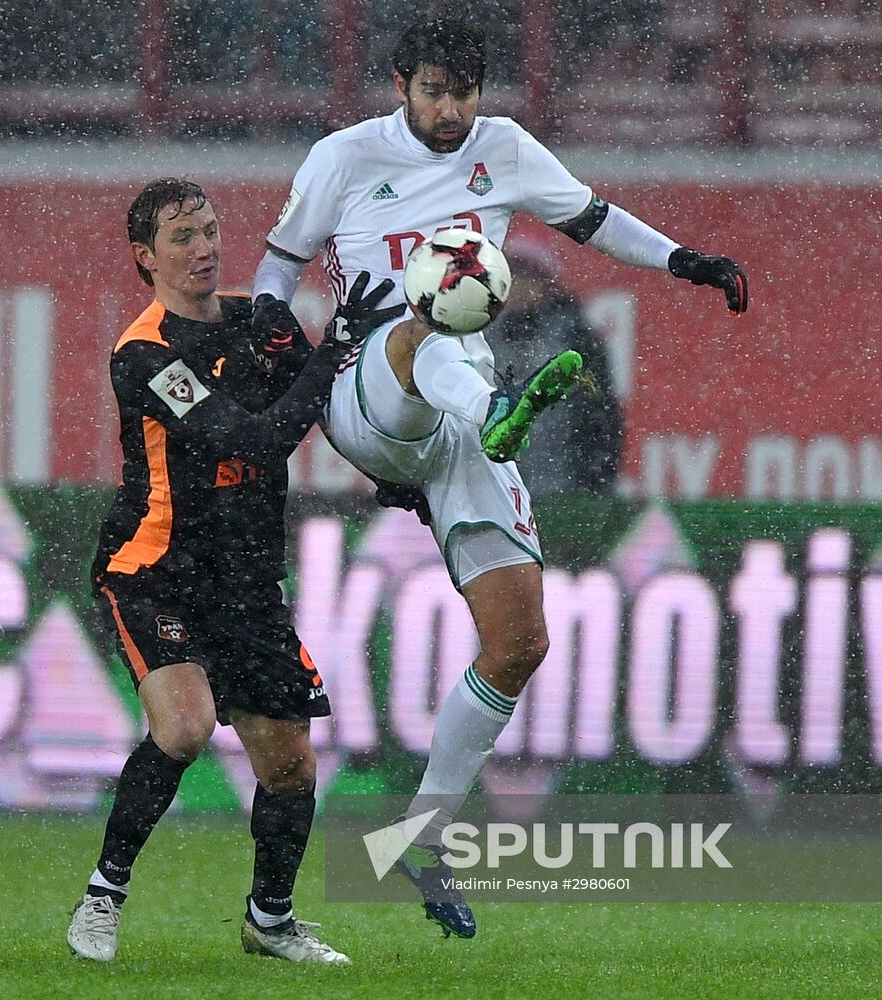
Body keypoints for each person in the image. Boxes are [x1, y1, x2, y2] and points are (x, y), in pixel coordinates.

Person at [251, 16, 747, 939]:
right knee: (429, 319)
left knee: (519, 641)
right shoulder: (344, 158)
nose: (451, 110)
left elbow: (592, 219)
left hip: (463, 415)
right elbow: (275, 273)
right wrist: (278, 352)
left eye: (465, 92)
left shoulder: (505, 150)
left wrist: (686, 260)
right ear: (401, 84)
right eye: (434, 91)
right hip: (368, 387)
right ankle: (497, 412)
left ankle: (421, 836)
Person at [66, 178, 397, 966]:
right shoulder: (143, 352)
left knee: (290, 763)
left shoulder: (260, 323)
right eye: (182, 238)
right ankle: (104, 894)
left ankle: (270, 921)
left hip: (246, 582)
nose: (204, 247)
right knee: (181, 729)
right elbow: (250, 441)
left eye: (210, 230)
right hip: (156, 570)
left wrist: (395, 464)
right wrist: (332, 351)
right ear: (146, 257)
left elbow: (330, 408)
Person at [483, 238, 623, 496]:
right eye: (513, 278)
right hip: (493, 483)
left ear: (546, 284)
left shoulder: (577, 338)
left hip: (563, 484)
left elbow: (601, 415)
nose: (520, 288)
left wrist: (595, 482)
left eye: (529, 278)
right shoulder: (480, 334)